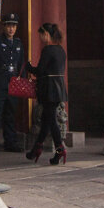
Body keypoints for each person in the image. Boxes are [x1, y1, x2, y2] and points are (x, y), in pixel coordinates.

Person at [24, 22, 68, 165]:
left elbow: (41, 70)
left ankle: (60, 150)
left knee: (51, 121)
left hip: (49, 89)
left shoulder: (48, 50)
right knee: (46, 120)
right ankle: (36, 149)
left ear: (46, 34)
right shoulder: (61, 50)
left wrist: (29, 67)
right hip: (58, 88)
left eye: (41, 35)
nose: (41, 38)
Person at [0, 13, 25, 152]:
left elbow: (21, 64)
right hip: (0, 80)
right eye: (8, 25)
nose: (11, 29)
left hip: (13, 81)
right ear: (4, 26)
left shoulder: (18, 43)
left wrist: (22, 81)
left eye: (13, 26)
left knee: (10, 112)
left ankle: (10, 142)